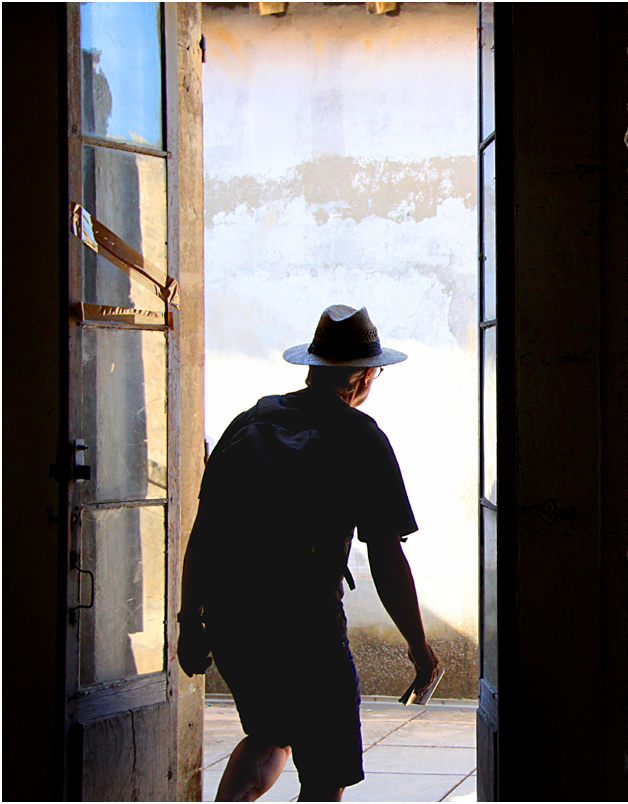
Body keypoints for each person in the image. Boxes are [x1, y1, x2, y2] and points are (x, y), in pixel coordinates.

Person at [176, 304, 440, 802]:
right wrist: (417, 645)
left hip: (236, 623)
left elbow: (205, 531)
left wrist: (192, 619)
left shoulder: (248, 421)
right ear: (363, 376)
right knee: (324, 772)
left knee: (269, 734)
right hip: (308, 629)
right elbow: (386, 557)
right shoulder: (361, 437)